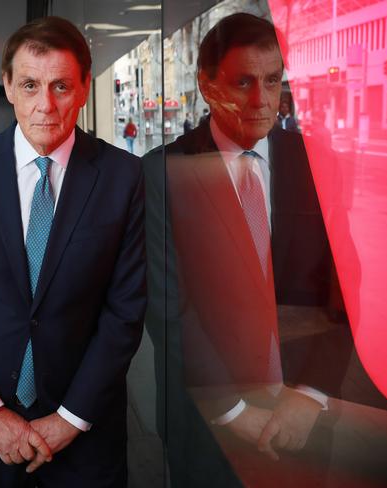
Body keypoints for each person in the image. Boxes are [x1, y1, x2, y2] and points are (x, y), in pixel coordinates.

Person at [0, 16, 146, 487]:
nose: (45, 105)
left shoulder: (123, 178)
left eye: (61, 86)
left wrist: (70, 418)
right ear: (7, 86)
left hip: (85, 432)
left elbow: (125, 311)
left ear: (84, 87)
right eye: (30, 85)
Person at [143, 13, 347, 486]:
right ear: (207, 85)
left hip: (307, 420)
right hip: (208, 424)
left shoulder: (317, 163)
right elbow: (168, 308)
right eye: (243, 82)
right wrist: (231, 410)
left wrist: (310, 395)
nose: (261, 100)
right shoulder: (162, 174)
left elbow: (343, 292)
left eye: (272, 81)